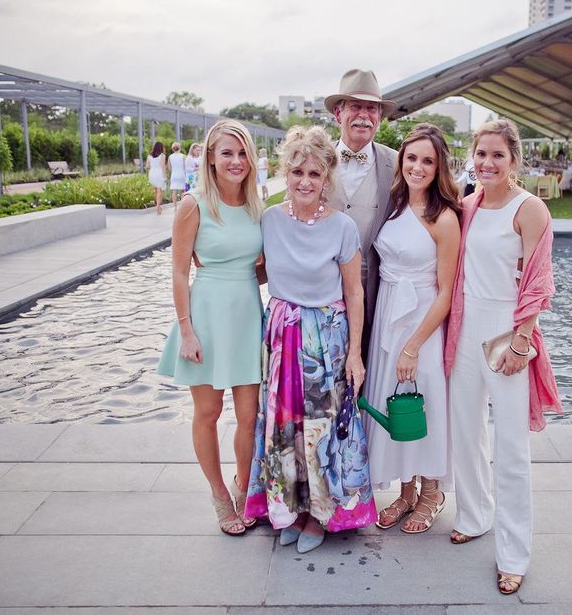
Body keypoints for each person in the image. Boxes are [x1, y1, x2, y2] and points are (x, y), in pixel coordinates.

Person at [244, 125, 376, 553]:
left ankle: (321, 516)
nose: (305, 181)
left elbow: (354, 292)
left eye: (314, 174)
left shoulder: (342, 227)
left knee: (321, 429)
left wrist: (355, 354)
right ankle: (291, 510)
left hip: (326, 339)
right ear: (286, 172)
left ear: (326, 178)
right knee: (284, 427)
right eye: (298, 171)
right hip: (282, 335)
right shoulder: (269, 220)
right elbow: (252, 268)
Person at [443, 119, 561, 596]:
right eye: (481, 154)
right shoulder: (468, 204)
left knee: (510, 445)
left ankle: (513, 554)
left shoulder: (529, 209)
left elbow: (538, 280)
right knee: (465, 430)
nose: (487, 163)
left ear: (514, 159)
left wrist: (521, 340)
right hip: (465, 325)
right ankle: (474, 515)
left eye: (497, 155)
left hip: (506, 331)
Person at [156, 120, 263, 536]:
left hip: (247, 314)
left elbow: (261, 268)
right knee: (209, 412)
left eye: (242, 153)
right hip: (205, 316)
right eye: (227, 153)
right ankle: (219, 495)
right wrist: (187, 331)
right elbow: (179, 273)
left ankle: (244, 487)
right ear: (211, 158)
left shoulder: (256, 206)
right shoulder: (193, 204)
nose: (236, 161)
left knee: (250, 416)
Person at [362, 124, 460, 533]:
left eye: (428, 161)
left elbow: (447, 292)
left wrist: (414, 345)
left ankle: (431, 492)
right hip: (389, 313)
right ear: (401, 161)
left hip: (423, 319)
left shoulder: (444, 218)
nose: (418, 167)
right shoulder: (394, 204)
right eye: (412, 158)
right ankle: (405, 491)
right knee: (394, 401)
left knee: (426, 401)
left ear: (439, 168)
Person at [324, 69, 398, 355]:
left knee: (367, 367)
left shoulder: (396, 164)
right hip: (321, 287)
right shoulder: (317, 159)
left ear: (379, 117)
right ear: (338, 114)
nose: (364, 115)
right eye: (356, 107)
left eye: (371, 108)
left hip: (375, 289)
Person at [146, 141, 167, 214]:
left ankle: (158, 206)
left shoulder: (149, 155)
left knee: (155, 190)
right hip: (159, 173)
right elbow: (162, 166)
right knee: (159, 190)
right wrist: (165, 176)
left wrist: (153, 165)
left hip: (152, 173)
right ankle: (158, 207)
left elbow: (147, 166)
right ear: (161, 147)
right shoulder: (162, 155)